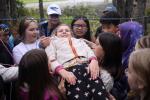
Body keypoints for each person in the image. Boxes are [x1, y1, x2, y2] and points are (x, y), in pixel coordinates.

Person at [45, 24, 108, 100]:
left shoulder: (79, 41)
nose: (64, 32)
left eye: (67, 30)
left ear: (71, 33)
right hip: (69, 71)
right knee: (78, 96)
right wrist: (62, 71)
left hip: (87, 68)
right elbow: (51, 59)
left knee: (99, 93)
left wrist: (93, 61)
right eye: (60, 31)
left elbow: (89, 51)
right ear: (55, 34)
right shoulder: (53, 43)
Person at [94, 32, 127, 99]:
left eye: (97, 44)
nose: (94, 46)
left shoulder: (106, 77)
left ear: (106, 50)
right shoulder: (95, 64)